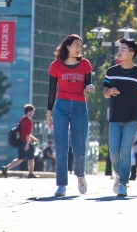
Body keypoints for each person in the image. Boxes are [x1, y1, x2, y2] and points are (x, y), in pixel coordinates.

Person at [47, 34, 94, 197]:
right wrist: (48, 113)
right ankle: (61, 185)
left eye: (80, 45)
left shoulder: (85, 64)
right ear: (67, 46)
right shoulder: (56, 66)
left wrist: (89, 86)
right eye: (76, 44)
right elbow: (52, 90)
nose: (79, 47)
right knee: (61, 147)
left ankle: (80, 175)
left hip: (80, 106)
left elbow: (89, 81)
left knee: (79, 147)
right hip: (61, 106)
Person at [103, 38, 137, 197]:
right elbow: (105, 92)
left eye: (123, 49)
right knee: (114, 152)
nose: (119, 51)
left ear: (132, 53)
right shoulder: (111, 71)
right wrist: (110, 92)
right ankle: (119, 175)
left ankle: (123, 183)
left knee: (125, 150)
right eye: (119, 48)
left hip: (132, 118)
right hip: (115, 117)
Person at [2, 104, 39, 178]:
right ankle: (31, 174)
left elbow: (25, 132)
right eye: (32, 112)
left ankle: (6, 168)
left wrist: (33, 138)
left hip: (20, 142)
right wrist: (27, 144)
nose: (33, 113)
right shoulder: (28, 122)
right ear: (29, 112)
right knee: (31, 158)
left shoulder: (23, 118)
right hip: (25, 142)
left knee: (20, 158)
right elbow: (27, 134)